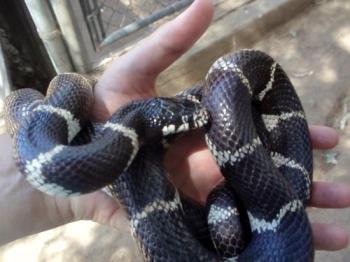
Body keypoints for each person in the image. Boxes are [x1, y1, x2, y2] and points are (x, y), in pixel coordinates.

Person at [0, 0, 349, 253]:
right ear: (149, 126)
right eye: (184, 119)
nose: (199, 118)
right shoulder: (73, 112)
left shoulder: (105, 119)